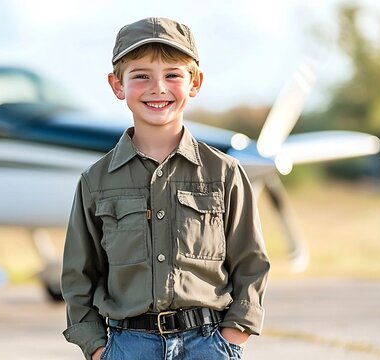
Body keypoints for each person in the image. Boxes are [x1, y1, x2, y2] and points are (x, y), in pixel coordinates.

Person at [61, 17, 270, 360]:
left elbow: (251, 264)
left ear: (195, 83)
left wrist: (232, 339)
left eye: (172, 74)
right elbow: (78, 276)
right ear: (117, 85)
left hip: (208, 343)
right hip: (128, 346)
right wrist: (99, 349)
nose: (157, 87)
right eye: (141, 75)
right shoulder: (95, 182)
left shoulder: (225, 174)